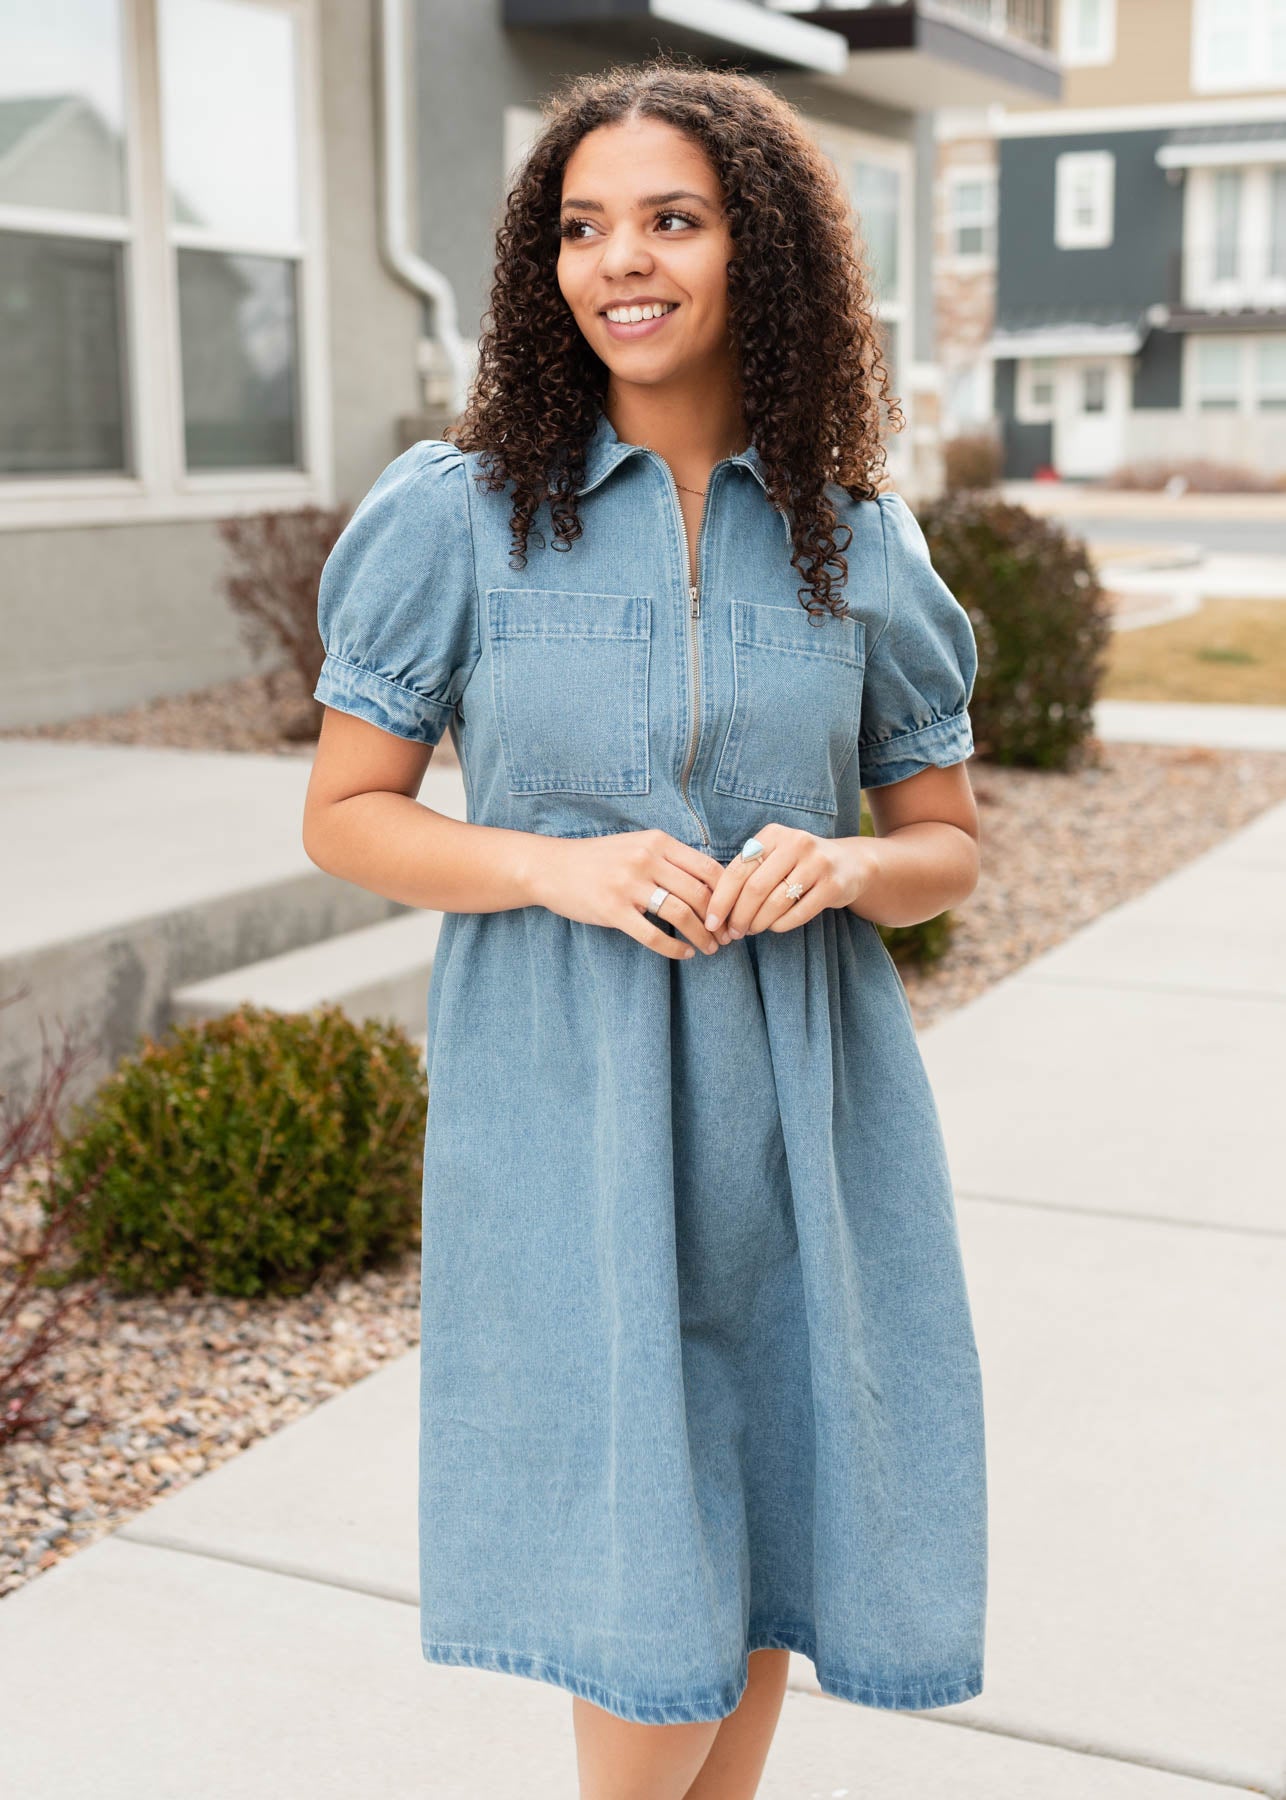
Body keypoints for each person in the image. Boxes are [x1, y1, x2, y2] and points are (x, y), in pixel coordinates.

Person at [302, 57, 987, 1800]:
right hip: (565, 1095)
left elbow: (944, 849)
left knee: (763, 1506)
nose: (624, 261)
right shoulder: (455, 517)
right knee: (637, 1560)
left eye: (670, 219)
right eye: (582, 228)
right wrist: (553, 865)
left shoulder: (858, 544)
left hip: (800, 1104)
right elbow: (348, 816)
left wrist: (839, 867)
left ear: (758, 249)